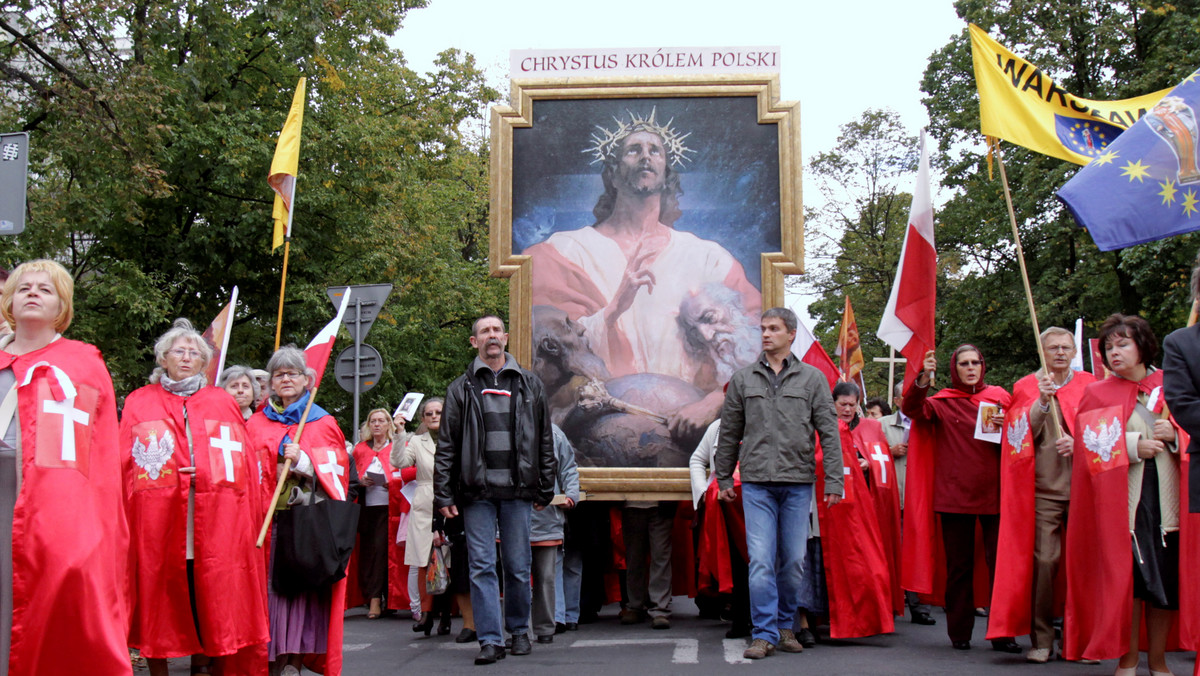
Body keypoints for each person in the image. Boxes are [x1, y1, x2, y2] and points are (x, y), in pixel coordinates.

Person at [525, 110, 762, 443]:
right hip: (596, 431)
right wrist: (611, 313)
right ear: (614, 172)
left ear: (667, 172)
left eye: (655, 151)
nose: (646, 157)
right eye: (633, 150)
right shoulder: (563, 253)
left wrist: (714, 401)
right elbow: (544, 351)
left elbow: (757, 349)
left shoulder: (709, 259)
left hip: (693, 430)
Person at [0, 259, 130, 674]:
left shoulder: (82, 362)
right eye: (23, 288)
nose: (33, 293)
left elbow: (102, 453)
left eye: (45, 288)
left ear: (62, 306)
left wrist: (95, 524)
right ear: (8, 302)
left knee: (47, 611)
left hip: (53, 516)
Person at [122, 318, 268, 676]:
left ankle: (209, 664)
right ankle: (158, 667)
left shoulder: (221, 402)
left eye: (194, 353)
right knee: (160, 593)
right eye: (178, 351)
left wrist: (206, 473)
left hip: (216, 519)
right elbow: (126, 463)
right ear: (163, 358)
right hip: (158, 522)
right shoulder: (140, 401)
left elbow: (240, 462)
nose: (186, 357)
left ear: (204, 362)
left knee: (211, 598)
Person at [1064, 314, 1196, 674]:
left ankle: (1158, 660)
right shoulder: (1097, 393)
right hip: (1126, 503)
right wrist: (1136, 446)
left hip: (1169, 501)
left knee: (1166, 582)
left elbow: (1192, 436)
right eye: (1109, 346)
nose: (1114, 352)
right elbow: (1091, 449)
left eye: (1123, 343)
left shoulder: (1172, 385)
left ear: (1143, 346)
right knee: (1132, 582)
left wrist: (1176, 437)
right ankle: (1128, 658)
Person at [714, 307, 844, 660]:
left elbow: (829, 433)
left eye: (774, 329)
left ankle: (787, 625)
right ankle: (763, 632)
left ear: (790, 334)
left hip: (798, 483)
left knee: (793, 562)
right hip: (756, 483)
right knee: (759, 560)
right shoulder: (743, 379)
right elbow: (729, 432)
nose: (766, 334)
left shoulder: (813, 379)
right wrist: (723, 475)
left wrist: (834, 479)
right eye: (763, 328)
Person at [433, 315, 556, 665]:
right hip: (477, 493)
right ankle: (490, 639)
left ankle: (518, 631)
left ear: (505, 337)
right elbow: (448, 446)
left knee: (518, 566)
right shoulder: (460, 388)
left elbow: (544, 439)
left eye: (496, 330)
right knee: (482, 566)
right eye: (484, 331)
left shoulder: (530, 385)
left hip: (518, 491)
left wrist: (545, 486)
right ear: (474, 342)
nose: (491, 336)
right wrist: (444, 494)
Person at [245, 345, 355, 676]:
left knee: (297, 596)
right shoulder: (256, 423)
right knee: (267, 595)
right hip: (263, 523)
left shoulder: (322, 421)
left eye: (293, 373)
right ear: (270, 384)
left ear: (307, 379)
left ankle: (293, 660)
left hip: (304, 525)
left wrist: (305, 461)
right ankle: (268, 660)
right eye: (279, 374)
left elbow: (339, 469)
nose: (286, 379)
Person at [987, 327, 1094, 663]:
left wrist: (1078, 444)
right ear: (1042, 351)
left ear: (1075, 351)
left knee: (1084, 566)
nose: (1060, 353)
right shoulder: (1026, 386)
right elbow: (1018, 435)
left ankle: (1081, 640)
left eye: (1066, 347)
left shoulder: (1090, 384)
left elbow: (1105, 431)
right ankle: (1042, 636)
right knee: (1045, 562)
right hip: (1044, 490)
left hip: (1084, 489)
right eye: (1053, 348)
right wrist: (1043, 402)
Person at [902, 345, 1019, 652]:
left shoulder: (999, 398)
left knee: (1000, 566)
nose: (971, 368)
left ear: (983, 366)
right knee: (959, 568)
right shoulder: (942, 402)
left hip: (995, 495)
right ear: (955, 369)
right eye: (964, 363)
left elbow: (1017, 439)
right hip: (954, 498)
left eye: (976, 362)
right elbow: (913, 409)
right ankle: (959, 633)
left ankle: (1003, 632)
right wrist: (924, 377)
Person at [834, 381, 903, 624]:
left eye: (852, 405)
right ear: (834, 404)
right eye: (843, 404)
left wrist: (868, 464)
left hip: (870, 505)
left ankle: (876, 612)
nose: (848, 409)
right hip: (839, 508)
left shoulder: (871, 428)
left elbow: (882, 461)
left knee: (873, 562)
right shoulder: (826, 428)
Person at [395, 398, 452, 636]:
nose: (434, 416)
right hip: (423, 503)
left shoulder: (455, 438)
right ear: (423, 419)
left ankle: (446, 615)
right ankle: (426, 614)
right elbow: (399, 462)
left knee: (447, 561)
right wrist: (399, 434)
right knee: (423, 562)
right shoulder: (417, 441)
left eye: (439, 412)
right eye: (429, 413)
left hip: (450, 502)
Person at [880, 382, 933, 625]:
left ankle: (918, 606)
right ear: (897, 400)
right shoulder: (882, 425)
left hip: (918, 500)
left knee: (917, 552)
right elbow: (867, 453)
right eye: (905, 396)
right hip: (892, 497)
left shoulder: (927, 422)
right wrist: (890, 451)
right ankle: (889, 603)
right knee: (890, 551)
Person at [530, 425, 579, 643]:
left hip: (547, 516)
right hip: (509, 516)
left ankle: (545, 627)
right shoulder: (502, 425)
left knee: (546, 576)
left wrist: (571, 495)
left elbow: (568, 468)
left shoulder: (554, 433)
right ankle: (518, 628)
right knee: (515, 576)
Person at [352, 408, 397, 620]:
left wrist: (392, 482)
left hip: (391, 508)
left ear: (389, 424)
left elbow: (403, 472)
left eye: (381, 421)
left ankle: (383, 598)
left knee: (386, 552)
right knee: (370, 552)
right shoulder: (360, 449)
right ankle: (373, 596)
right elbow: (350, 475)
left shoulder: (397, 447)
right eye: (373, 421)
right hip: (366, 508)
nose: (377, 424)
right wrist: (360, 481)